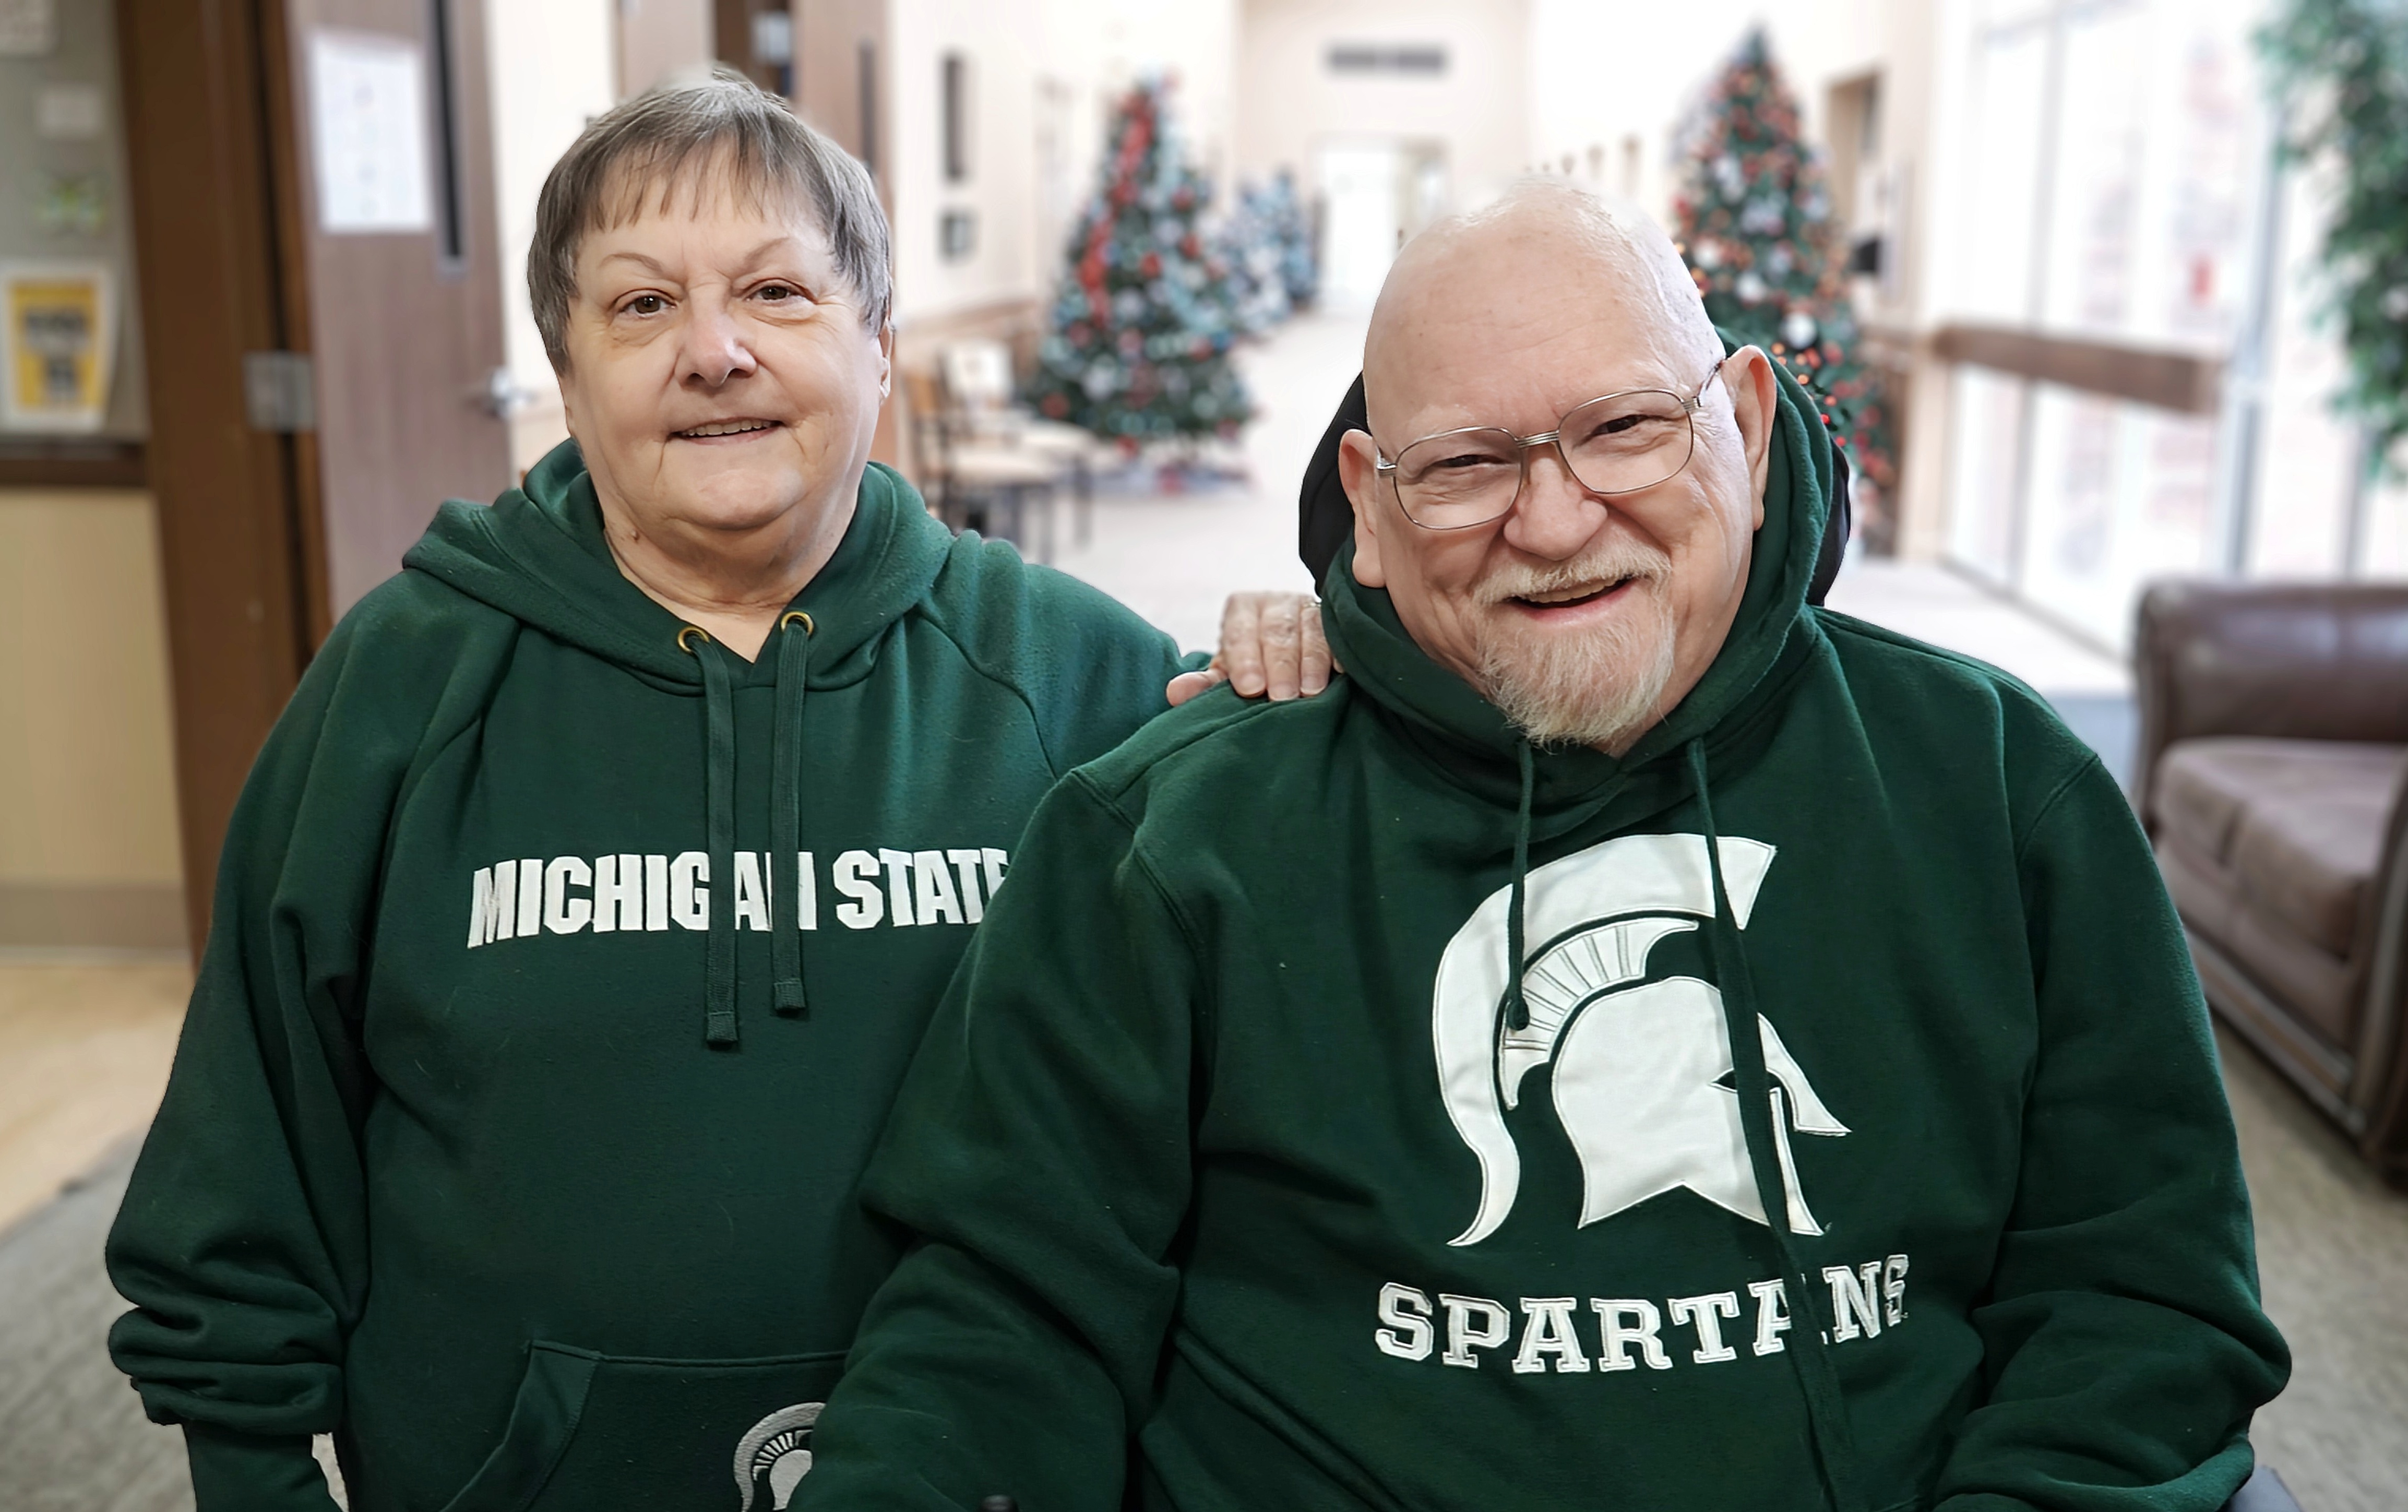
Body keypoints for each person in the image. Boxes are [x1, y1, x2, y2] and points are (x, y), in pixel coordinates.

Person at [794, 182, 2290, 1512]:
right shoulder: (1171, 843)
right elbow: (1002, 1329)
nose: (1558, 521)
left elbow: (2139, 1309)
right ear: (1370, 506)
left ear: (1746, 423)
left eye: (1626, 427)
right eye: (1466, 466)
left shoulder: (1997, 786)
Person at [103, 72, 1328, 1512]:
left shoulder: (1072, 676)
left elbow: (1290, 1053)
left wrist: (1310, 654)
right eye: (640, 306)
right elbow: (249, 1137)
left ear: (880, 344)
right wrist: (253, 1474)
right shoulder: (407, 681)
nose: (715, 352)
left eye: (777, 293)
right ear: (568, 377)